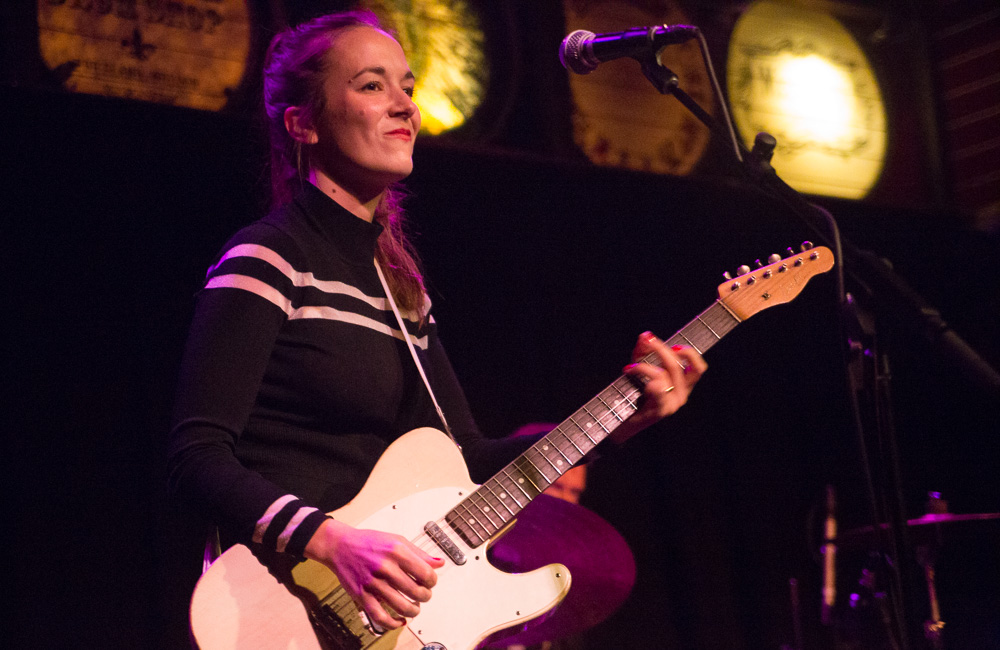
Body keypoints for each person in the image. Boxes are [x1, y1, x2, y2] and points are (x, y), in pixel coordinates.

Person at [166, 9, 706, 638]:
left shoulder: (402, 292)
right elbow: (196, 457)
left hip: (380, 619)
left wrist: (617, 417)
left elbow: (470, 463)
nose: (405, 107)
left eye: (408, 88)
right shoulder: (269, 258)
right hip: (278, 605)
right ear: (303, 123)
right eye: (372, 86)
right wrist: (335, 543)